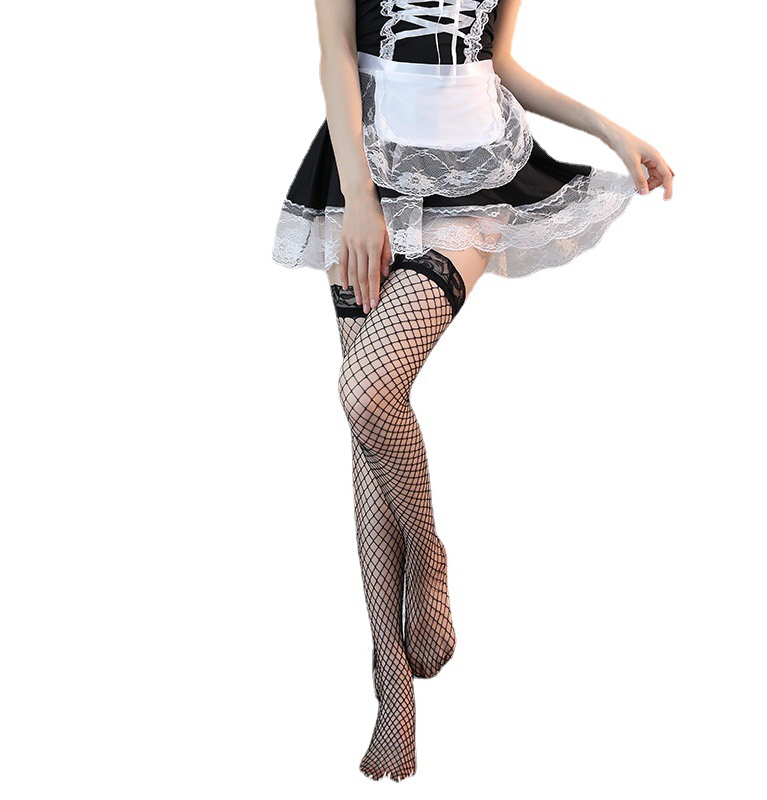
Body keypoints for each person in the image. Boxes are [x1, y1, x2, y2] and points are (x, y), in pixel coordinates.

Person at [271, 0, 674, 782]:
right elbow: (334, 53)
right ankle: (393, 689)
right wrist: (360, 199)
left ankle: (428, 555)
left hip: (478, 169)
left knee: (367, 391)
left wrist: (609, 130)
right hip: (364, 167)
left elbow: (501, 62)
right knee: (368, 424)